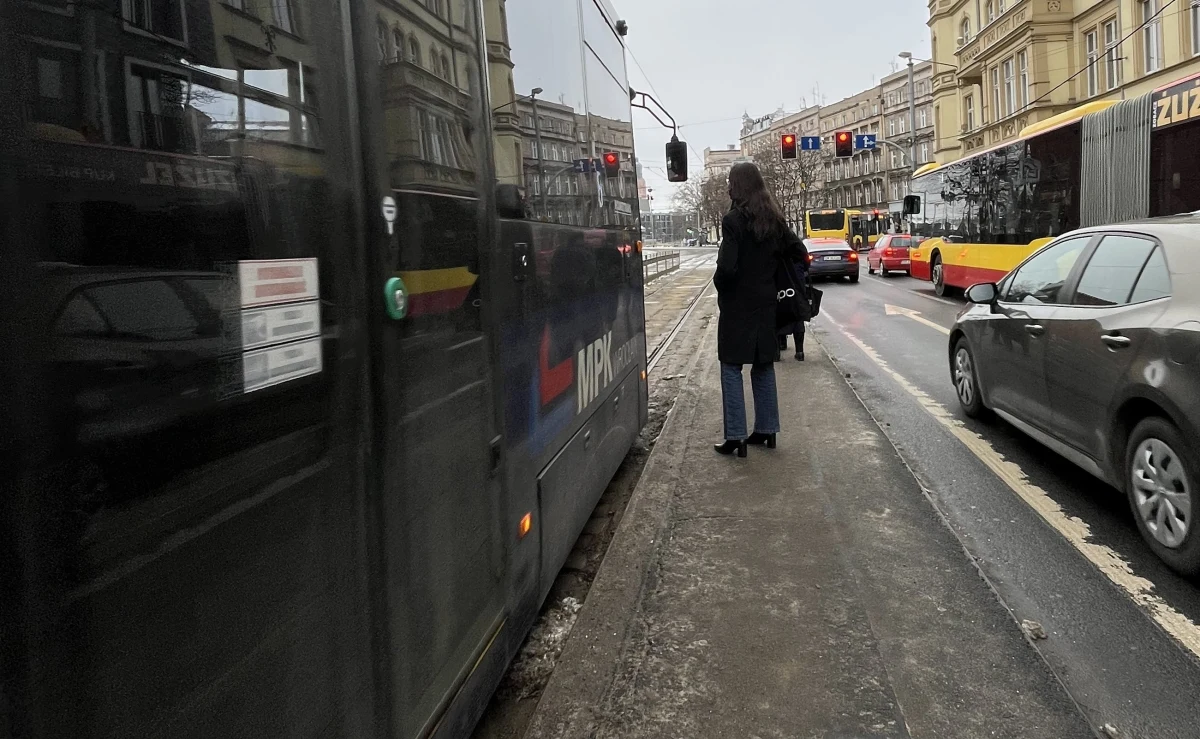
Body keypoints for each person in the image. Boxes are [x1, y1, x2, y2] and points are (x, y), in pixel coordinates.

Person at [712, 161, 805, 457]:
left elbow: (726, 268)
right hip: (767, 305)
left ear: (736, 186)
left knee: (731, 366)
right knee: (763, 365)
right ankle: (767, 430)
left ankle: (736, 437)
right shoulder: (775, 220)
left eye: (730, 181)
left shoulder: (733, 221)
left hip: (738, 307)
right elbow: (799, 253)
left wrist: (722, 288)